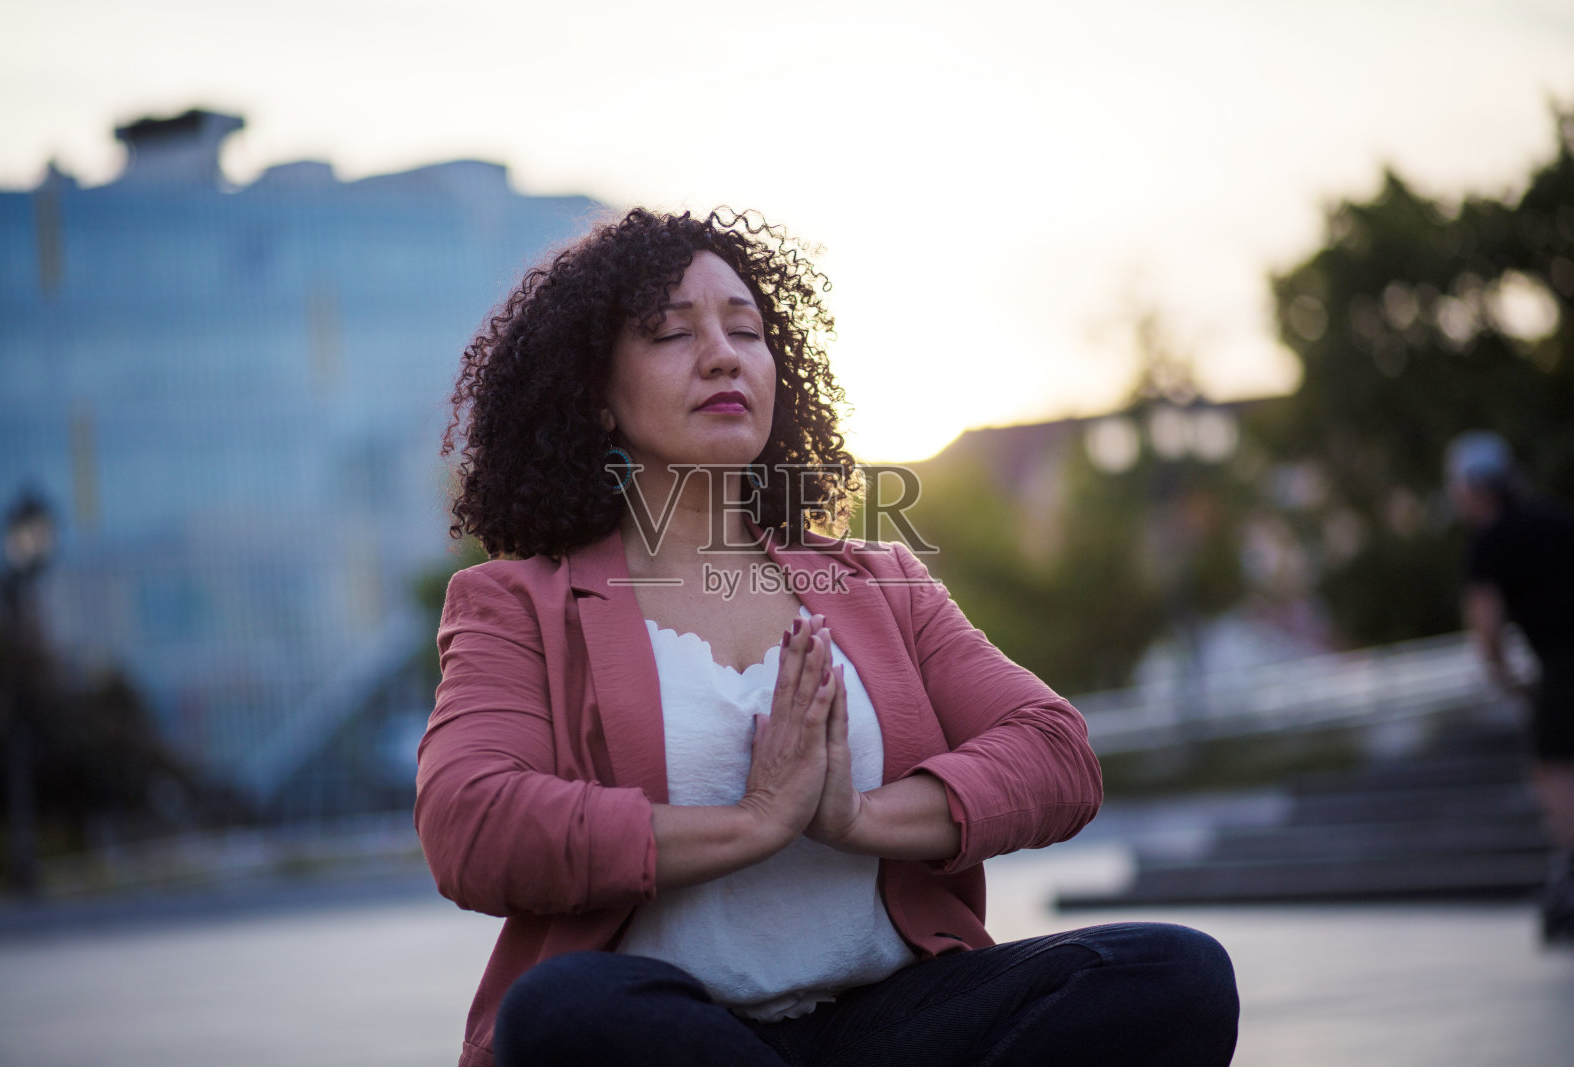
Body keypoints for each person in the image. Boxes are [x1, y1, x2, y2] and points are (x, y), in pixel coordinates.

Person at [416, 207, 1240, 1066]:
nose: (724, 353)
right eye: (669, 333)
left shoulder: (880, 582)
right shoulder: (515, 602)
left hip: (891, 1024)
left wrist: (859, 815)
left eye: (748, 329)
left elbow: (1056, 754)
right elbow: (469, 821)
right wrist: (754, 821)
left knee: (1170, 970)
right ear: (595, 397)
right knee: (562, 1009)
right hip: (676, 1033)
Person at [1447, 431, 1574, 942]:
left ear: (1474, 488)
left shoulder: (1490, 539)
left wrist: (1507, 678)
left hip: (1563, 665)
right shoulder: (1556, 519)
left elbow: (1487, 628)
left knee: (1554, 768)